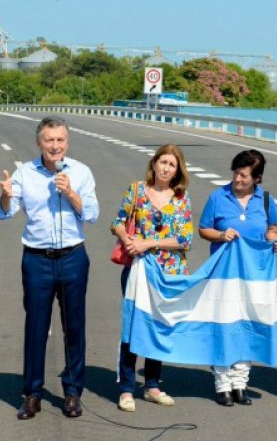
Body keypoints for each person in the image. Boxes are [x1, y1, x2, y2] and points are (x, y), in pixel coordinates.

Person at [0, 116, 99, 420]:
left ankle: (72, 392)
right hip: (37, 259)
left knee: (74, 327)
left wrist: (70, 192)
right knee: (36, 328)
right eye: (49, 140)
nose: (55, 146)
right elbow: (4, 213)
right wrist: (4, 194)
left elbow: (91, 214)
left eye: (60, 140)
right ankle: (32, 394)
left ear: (67, 141)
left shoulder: (81, 172)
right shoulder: (24, 174)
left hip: (73, 257)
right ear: (39, 142)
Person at [198, 149, 277, 407]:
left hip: (254, 277)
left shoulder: (266, 200)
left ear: (257, 178)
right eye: (235, 173)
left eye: (244, 175)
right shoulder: (218, 197)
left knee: (248, 325)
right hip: (223, 276)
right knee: (224, 326)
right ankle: (222, 383)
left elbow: (272, 229)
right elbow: (204, 229)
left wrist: (275, 242)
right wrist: (221, 235)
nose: (237, 179)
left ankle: (240, 382)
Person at [111, 144, 193, 412]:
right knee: (132, 326)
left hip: (168, 273)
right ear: (154, 163)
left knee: (159, 327)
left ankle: (153, 385)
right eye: (163, 162)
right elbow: (118, 221)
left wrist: (147, 242)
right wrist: (128, 240)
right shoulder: (136, 190)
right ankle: (126, 388)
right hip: (138, 270)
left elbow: (184, 238)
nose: (166, 168)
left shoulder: (181, 198)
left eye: (172, 164)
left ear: (178, 169)